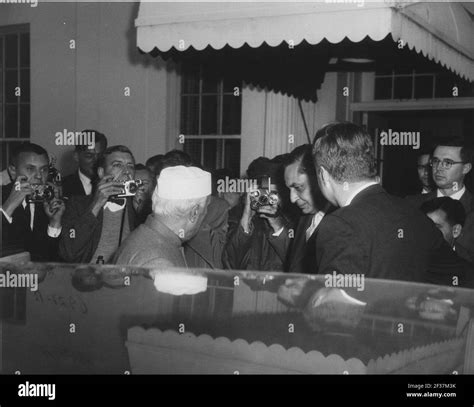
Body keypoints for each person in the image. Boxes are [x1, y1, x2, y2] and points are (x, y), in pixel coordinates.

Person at [312, 122, 472, 286]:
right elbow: (461, 274)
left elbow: (334, 305)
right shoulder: (414, 213)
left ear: (323, 174)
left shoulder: (340, 223)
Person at [113, 165, 212, 268]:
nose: (205, 214)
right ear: (194, 212)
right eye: (206, 209)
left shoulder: (148, 236)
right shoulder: (159, 261)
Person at [59, 145, 140, 264]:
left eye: (130, 166)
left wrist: (141, 209)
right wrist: (96, 205)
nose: (126, 172)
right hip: (90, 278)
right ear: (101, 172)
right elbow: (69, 253)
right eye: (117, 165)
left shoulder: (138, 206)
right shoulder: (77, 204)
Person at [223, 156, 293, 272]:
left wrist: (278, 226)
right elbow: (231, 265)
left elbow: (297, 264)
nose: (267, 198)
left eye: (274, 193)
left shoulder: (294, 219)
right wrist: (245, 222)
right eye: (262, 192)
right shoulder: (235, 217)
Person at [1, 143, 65, 261]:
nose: (39, 176)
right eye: (30, 169)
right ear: (13, 171)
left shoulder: (47, 202)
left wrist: (54, 224)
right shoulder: (2, 196)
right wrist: (8, 206)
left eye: (44, 169)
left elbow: (50, 259)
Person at [283, 144, 332, 274]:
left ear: (319, 179)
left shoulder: (342, 220)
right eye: (289, 189)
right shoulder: (305, 217)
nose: (292, 199)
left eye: (298, 187)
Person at [421, 197, 473, 264]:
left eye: (435, 228)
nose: (427, 234)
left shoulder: (469, 265)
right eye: (423, 227)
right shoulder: (409, 256)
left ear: (456, 231)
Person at [61, 130, 108, 198]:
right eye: (89, 156)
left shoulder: (113, 184)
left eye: (100, 155)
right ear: (76, 156)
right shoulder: (62, 187)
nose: (96, 161)